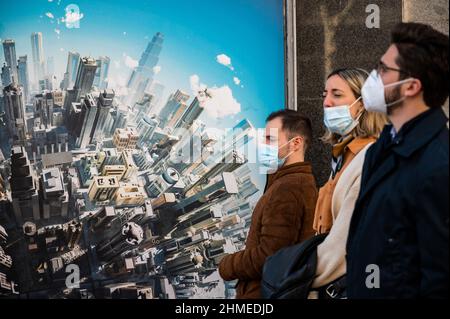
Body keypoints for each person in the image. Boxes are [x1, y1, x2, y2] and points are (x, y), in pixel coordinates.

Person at [346, 22, 449, 298]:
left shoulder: (438, 166)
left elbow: (439, 280)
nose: (373, 77)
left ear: (411, 86)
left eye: (383, 69)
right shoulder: (385, 147)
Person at [219, 109, 317, 299]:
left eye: (270, 139)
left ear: (296, 143)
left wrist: (227, 264)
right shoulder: (286, 182)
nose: (263, 145)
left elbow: (270, 257)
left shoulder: (290, 187)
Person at [309, 68, 388, 298]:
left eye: (337, 94)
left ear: (362, 104)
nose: (327, 102)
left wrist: (297, 275)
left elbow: (344, 241)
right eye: (325, 94)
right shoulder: (342, 156)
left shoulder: (373, 157)